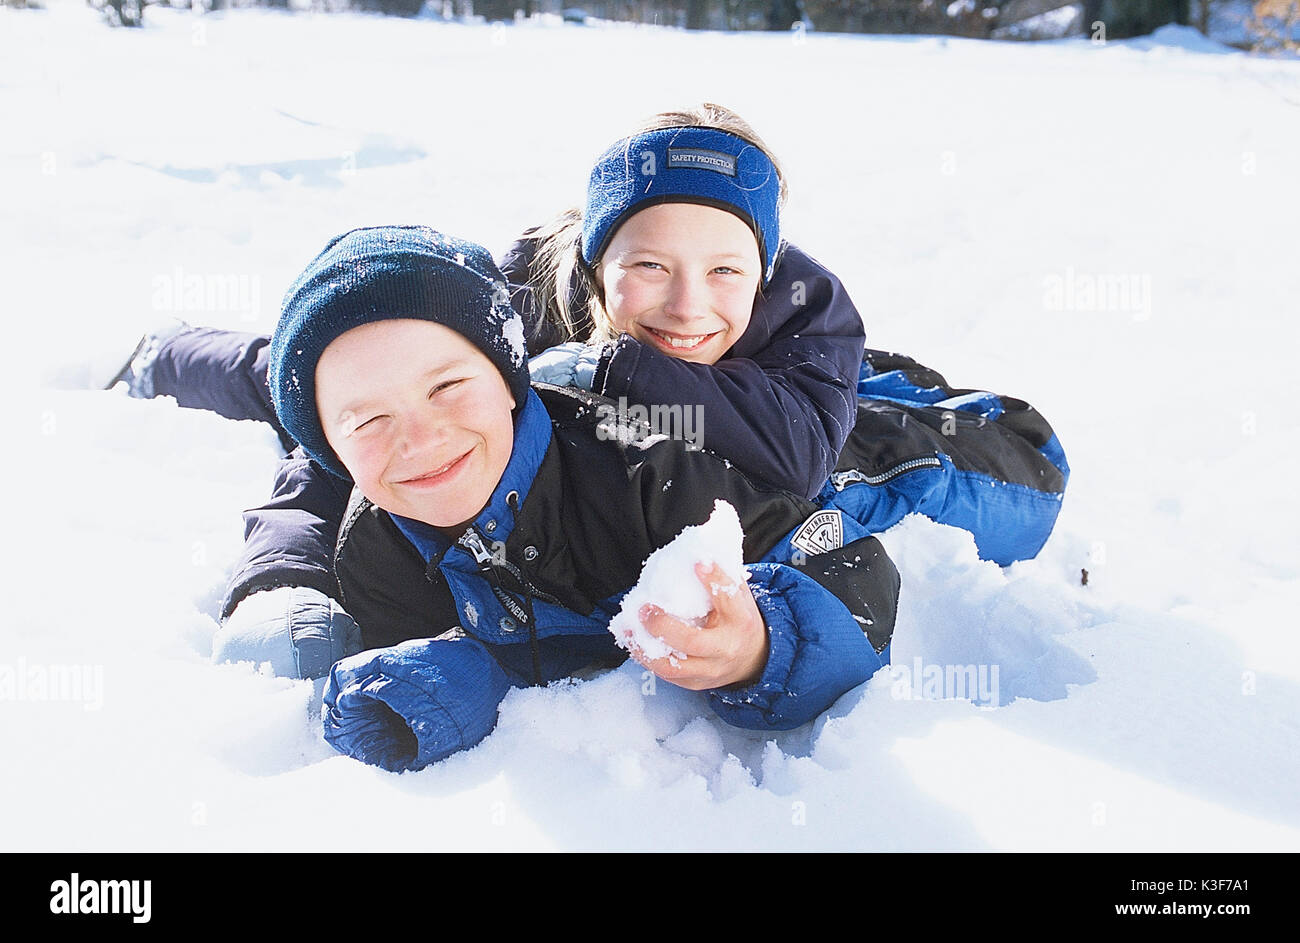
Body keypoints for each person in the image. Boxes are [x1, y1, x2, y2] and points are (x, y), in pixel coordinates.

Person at [110, 104, 1066, 679]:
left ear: (762, 268)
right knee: (298, 368)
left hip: (770, 407)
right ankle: (167, 349)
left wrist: (628, 374)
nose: (687, 305)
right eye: (647, 263)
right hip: (541, 348)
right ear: (600, 261)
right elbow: (356, 435)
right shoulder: (535, 303)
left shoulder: (802, 330)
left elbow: (821, 458)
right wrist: (285, 572)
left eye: (726, 267)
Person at [271, 224, 901, 772]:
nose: (420, 439)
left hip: (859, 433)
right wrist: (459, 683)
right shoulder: (375, 554)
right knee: (237, 370)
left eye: (447, 387)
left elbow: (849, 570)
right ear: (331, 450)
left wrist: (759, 643)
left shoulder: (643, 466)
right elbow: (436, 652)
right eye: (366, 422)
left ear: (511, 380)